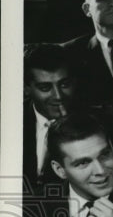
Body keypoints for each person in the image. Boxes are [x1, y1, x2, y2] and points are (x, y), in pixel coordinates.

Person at [23, 43, 78, 187]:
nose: (58, 96)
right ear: (26, 88)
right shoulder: (10, 122)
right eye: (45, 88)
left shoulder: (100, 123)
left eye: (65, 84)